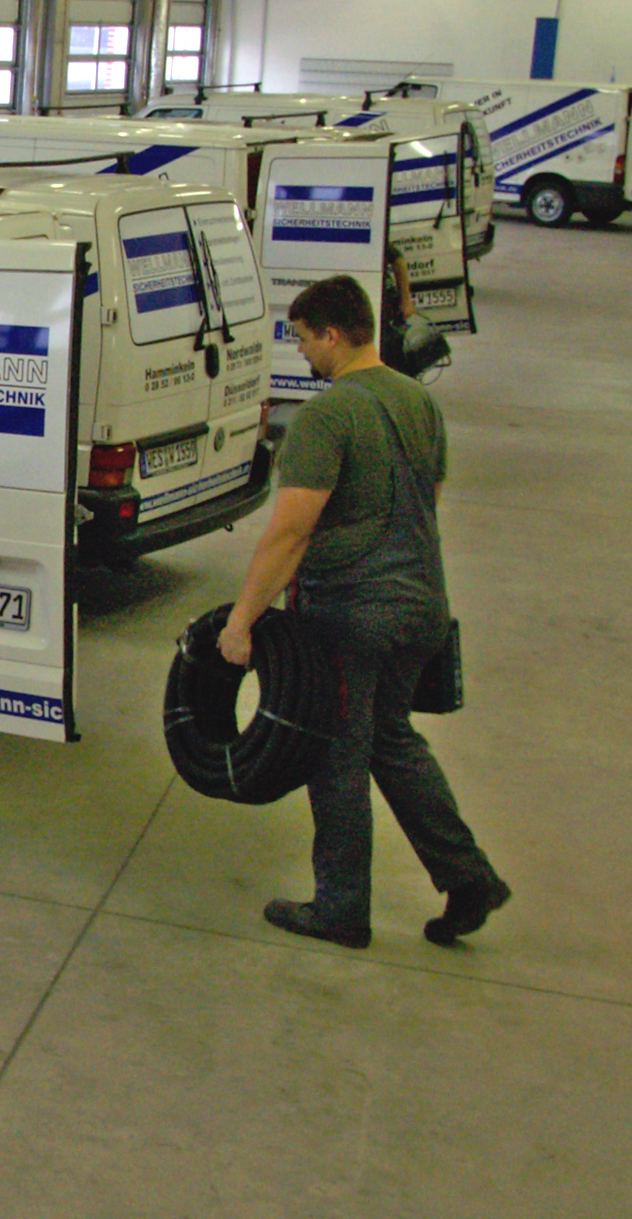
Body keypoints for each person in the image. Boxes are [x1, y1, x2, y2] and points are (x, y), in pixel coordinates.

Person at [217, 274, 509, 950]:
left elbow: (289, 532)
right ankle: (468, 877)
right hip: (422, 604)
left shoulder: (328, 415)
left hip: (355, 614)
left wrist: (241, 623)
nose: (302, 354)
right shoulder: (418, 402)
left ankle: (342, 908)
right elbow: (428, 494)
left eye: (302, 339)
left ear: (331, 333)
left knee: (337, 754)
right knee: (391, 739)